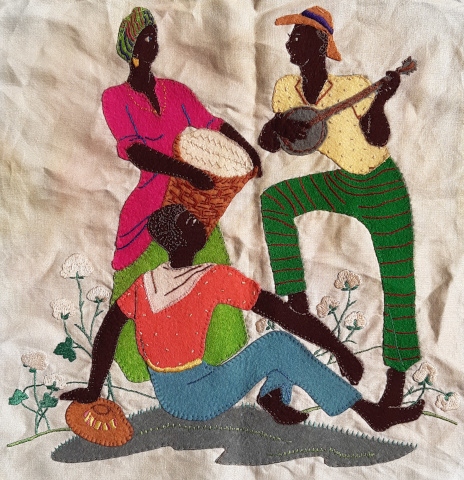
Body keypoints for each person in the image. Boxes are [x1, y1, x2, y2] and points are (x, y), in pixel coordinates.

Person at [61, 205, 424, 431]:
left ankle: (273, 398)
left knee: (274, 345)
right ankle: (370, 413)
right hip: (200, 395)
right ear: (179, 236)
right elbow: (284, 314)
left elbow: (108, 331)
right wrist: (339, 351)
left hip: (169, 393)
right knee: (279, 343)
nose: (200, 221)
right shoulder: (210, 277)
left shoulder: (145, 284)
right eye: (190, 220)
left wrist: (93, 388)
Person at [258, 6, 420, 405]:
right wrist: (278, 126)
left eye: (298, 37)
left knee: (398, 282)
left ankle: (397, 376)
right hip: (344, 182)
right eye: (290, 37)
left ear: (321, 45)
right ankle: (295, 298)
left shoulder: (353, 88)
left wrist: (380, 101)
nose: (289, 43)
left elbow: (377, 139)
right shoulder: (286, 90)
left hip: (382, 187)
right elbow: (269, 143)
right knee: (275, 200)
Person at [103, 8, 262, 380]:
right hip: (150, 205)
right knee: (141, 285)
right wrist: (186, 171)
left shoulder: (175, 91)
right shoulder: (116, 98)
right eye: (146, 38)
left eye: (155, 36)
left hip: (193, 203)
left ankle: (222, 360)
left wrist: (248, 150)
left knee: (212, 274)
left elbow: (211, 123)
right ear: (131, 48)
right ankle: (138, 368)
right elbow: (135, 151)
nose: (154, 43)